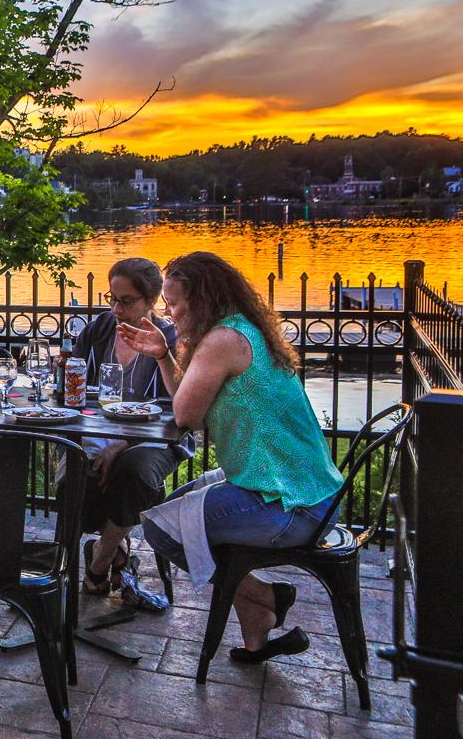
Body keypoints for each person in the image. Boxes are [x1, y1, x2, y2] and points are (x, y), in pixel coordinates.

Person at [124, 251, 344, 663]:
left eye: (173, 303)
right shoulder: (239, 330)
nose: (169, 314)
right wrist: (162, 355)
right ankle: (257, 630)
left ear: (202, 297)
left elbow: (186, 416)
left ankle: (267, 597)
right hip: (304, 492)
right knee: (177, 515)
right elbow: (191, 407)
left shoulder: (222, 341)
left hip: (291, 505)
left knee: (163, 530)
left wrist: (169, 353)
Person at [65, 257, 190, 596]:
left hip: (156, 439)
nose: (117, 308)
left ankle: (98, 565)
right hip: (95, 432)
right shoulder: (98, 331)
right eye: (112, 298)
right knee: (75, 469)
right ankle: (115, 549)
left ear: (151, 300)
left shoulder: (171, 338)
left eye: (127, 300)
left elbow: (178, 412)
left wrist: (120, 445)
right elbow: (72, 386)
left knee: (132, 472)